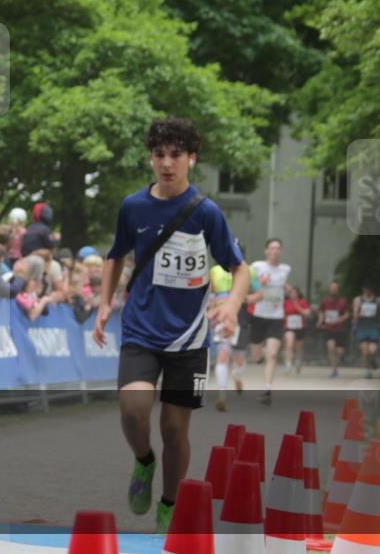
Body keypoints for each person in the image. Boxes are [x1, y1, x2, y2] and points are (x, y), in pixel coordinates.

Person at [93, 117, 248, 533]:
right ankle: (144, 462)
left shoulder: (206, 212)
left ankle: (170, 504)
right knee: (133, 412)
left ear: (191, 159)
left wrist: (232, 303)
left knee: (174, 428)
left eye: (176, 155)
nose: (167, 163)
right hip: (141, 331)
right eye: (160, 155)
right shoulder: (133, 207)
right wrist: (104, 304)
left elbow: (238, 267)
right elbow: (115, 254)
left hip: (189, 338)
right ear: (151, 158)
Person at [209, 241, 263, 412]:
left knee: (239, 359)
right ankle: (222, 396)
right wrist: (210, 309)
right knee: (223, 355)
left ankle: (236, 375)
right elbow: (209, 293)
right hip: (221, 317)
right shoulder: (214, 271)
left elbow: (260, 294)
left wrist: (241, 299)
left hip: (241, 317)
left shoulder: (249, 271)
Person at [250, 238, 291, 405]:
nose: (275, 251)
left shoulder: (285, 269)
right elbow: (248, 285)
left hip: (276, 316)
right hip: (259, 315)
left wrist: (286, 288)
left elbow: (281, 283)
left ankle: (267, 390)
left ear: (281, 251)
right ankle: (258, 358)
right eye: (272, 248)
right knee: (256, 354)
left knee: (272, 354)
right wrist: (260, 283)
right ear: (266, 250)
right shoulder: (257, 266)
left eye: (278, 248)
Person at [317, 281, 350, 378]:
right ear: (329, 289)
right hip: (329, 328)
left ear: (338, 290)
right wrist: (320, 320)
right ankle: (334, 370)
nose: (333, 290)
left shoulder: (343, 301)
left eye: (335, 288)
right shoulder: (324, 301)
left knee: (339, 351)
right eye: (332, 288)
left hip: (340, 329)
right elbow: (321, 311)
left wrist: (339, 320)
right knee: (331, 348)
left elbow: (347, 314)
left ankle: (340, 359)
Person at [353, 285, 380, 379]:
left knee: (371, 350)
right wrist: (360, 314)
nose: (368, 290)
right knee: (365, 352)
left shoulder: (378, 300)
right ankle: (367, 371)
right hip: (362, 328)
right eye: (366, 288)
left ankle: (372, 360)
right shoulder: (358, 300)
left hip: (373, 328)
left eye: (370, 288)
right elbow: (355, 315)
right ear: (363, 289)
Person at [283, 285, 311, 375]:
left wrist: (297, 306)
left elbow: (307, 313)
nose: (293, 294)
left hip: (300, 327)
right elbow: (282, 313)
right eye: (291, 292)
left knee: (298, 347)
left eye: (295, 293)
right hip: (288, 327)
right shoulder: (286, 302)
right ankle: (288, 365)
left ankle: (298, 362)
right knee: (289, 344)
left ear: (298, 294)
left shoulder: (302, 302)